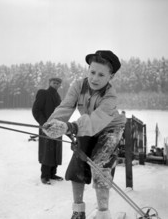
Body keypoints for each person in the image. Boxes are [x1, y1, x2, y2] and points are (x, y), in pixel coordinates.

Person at [42, 50, 126, 219]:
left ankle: (103, 214)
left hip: (109, 129)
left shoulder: (111, 97)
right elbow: (65, 106)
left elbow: (96, 121)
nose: (95, 78)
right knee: (77, 166)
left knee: (100, 165)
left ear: (111, 76)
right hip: (86, 127)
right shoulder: (79, 85)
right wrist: (53, 123)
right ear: (88, 69)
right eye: (92, 72)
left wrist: (71, 127)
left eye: (101, 75)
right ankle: (78, 211)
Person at [32, 77, 63, 185]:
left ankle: (52, 173)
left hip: (57, 127)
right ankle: (44, 175)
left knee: (56, 150)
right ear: (49, 82)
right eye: (54, 82)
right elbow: (36, 110)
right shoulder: (43, 93)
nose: (56, 84)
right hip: (46, 127)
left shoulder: (58, 97)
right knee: (47, 151)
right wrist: (44, 123)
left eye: (58, 83)